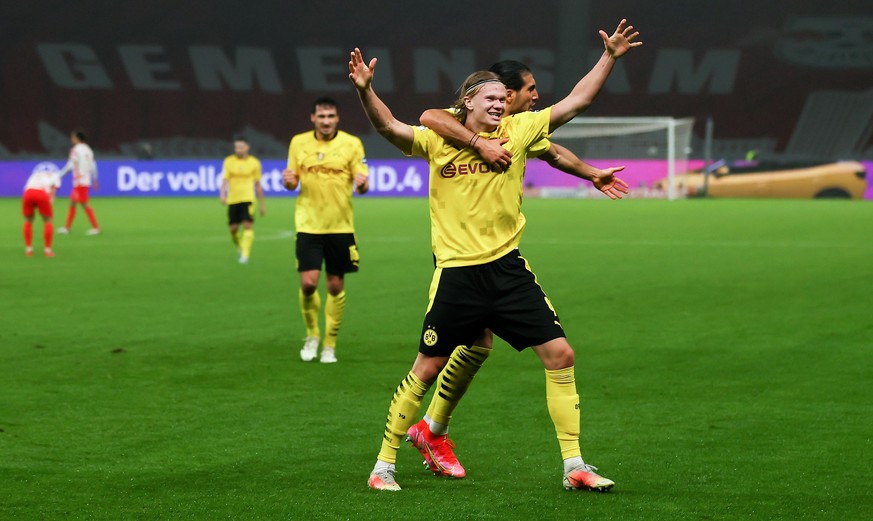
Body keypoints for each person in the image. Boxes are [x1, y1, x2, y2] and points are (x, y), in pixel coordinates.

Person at [350, 17, 641, 492]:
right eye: (493, 99)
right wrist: (366, 90)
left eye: (505, 99)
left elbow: (577, 101)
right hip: (457, 275)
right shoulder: (437, 139)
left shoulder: (521, 129)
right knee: (427, 367)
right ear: (467, 103)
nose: (503, 105)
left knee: (560, 353)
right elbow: (391, 124)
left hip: (508, 271)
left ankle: (575, 467)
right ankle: (383, 466)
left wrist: (608, 57)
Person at [407, 60, 630, 479]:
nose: (535, 95)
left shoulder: (520, 128)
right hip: (461, 256)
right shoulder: (466, 123)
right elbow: (430, 117)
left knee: (480, 344)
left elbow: (554, 151)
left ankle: (432, 428)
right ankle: (430, 429)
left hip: (498, 256)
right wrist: (478, 143)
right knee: (461, 348)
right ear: (505, 95)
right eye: (528, 88)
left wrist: (590, 174)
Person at [282, 96, 370, 364]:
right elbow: (291, 181)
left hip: (340, 225)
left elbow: (363, 186)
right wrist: (288, 181)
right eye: (321, 116)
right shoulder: (298, 142)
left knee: (334, 285)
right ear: (313, 118)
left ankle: (330, 344)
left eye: (330, 116)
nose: (326, 121)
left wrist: (363, 183)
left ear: (337, 118)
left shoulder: (352, 143)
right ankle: (312, 335)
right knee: (308, 284)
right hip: (308, 224)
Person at [219, 136, 265, 264]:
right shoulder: (228, 161)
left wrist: (262, 204)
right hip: (233, 199)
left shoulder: (254, 163)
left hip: (248, 198)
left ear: (247, 147)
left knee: (247, 225)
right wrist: (222, 194)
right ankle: (241, 246)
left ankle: (245, 255)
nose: (238, 149)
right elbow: (225, 180)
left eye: (240, 147)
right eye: (236, 147)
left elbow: (258, 184)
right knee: (233, 229)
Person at [56, 129, 100, 236]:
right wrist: (94, 179)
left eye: (72, 137)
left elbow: (70, 166)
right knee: (73, 202)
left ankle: (96, 228)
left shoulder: (75, 150)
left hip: (80, 181)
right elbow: (93, 166)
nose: (71, 139)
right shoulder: (89, 150)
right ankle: (67, 228)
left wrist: (59, 175)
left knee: (84, 204)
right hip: (85, 180)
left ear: (77, 138)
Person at [22, 164, 62, 257]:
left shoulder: (35, 174)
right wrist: (50, 202)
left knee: (28, 220)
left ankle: (29, 250)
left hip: (28, 193)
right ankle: (47, 250)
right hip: (41, 193)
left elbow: (27, 187)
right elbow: (53, 190)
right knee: (48, 220)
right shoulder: (55, 175)